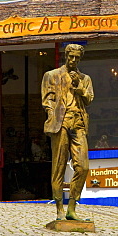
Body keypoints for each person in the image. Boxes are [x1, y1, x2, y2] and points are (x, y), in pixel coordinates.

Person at [41, 43, 94, 221]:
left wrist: (79, 87)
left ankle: (72, 207)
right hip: (61, 122)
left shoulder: (85, 78)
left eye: (77, 58)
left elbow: (89, 99)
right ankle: (59, 210)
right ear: (66, 55)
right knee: (59, 166)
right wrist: (51, 114)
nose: (73, 60)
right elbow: (47, 99)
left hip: (78, 122)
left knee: (83, 166)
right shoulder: (52, 75)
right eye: (70, 56)